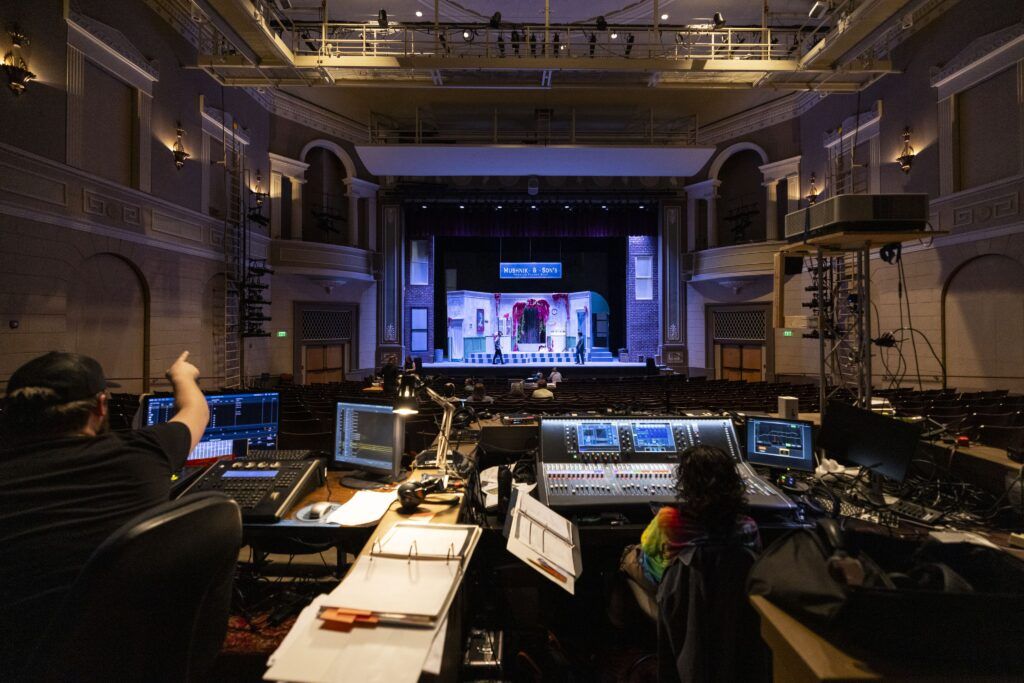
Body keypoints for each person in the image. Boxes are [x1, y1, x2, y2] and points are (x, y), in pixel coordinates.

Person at [0, 351, 209, 677]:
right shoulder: (145, 455)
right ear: (100, 406)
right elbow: (195, 410)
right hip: (132, 657)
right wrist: (181, 375)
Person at [619, 445, 760, 604]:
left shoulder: (668, 519)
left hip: (676, 597)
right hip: (730, 603)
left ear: (686, 483)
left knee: (630, 554)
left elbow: (648, 548)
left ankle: (620, 622)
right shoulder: (749, 526)